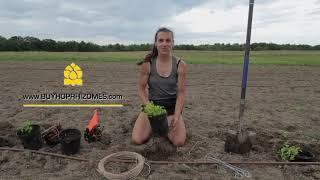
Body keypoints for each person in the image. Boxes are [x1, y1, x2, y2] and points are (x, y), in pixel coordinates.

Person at [132, 27, 186, 146]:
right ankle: (154, 125)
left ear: (173, 43)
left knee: (179, 142)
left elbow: (181, 93)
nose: (164, 44)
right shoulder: (148, 63)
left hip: (171, 108)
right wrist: (149, 107)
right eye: (161, 40)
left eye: (168, 40)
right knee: (137, 139)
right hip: (152, 106)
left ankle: (165, 123)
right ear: (156, 43)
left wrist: (177, 115)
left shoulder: (180, 65)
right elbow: (141, 89)